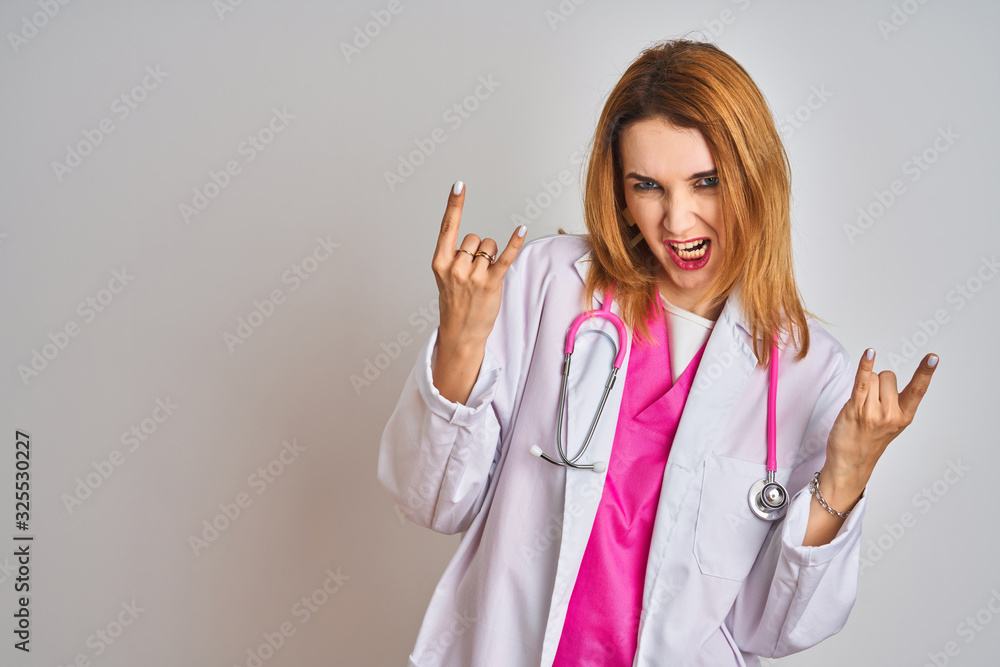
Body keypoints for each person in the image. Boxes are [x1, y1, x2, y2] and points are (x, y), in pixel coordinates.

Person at [378, 38, 938, 666]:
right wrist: (460, 340)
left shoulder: (811, 371)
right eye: (648, 186)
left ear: (756, 180)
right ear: (621, 195)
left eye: (706, 183)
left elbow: (771, 630)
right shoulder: (550, 284)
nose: (677, 220)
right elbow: (432, 500)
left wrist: (846, 475)